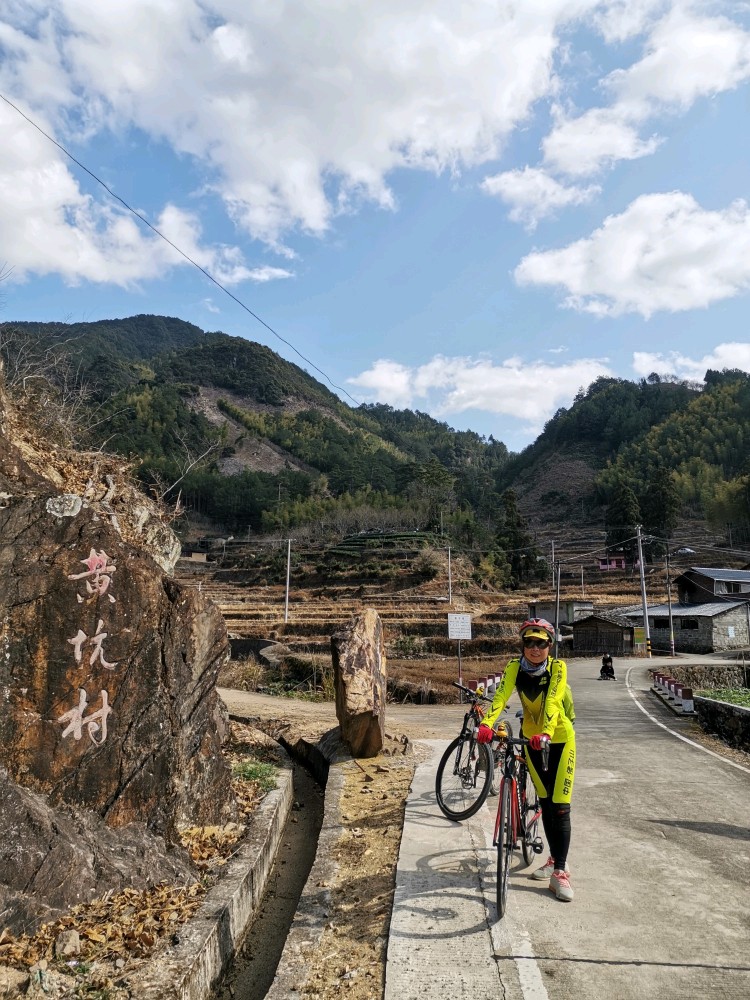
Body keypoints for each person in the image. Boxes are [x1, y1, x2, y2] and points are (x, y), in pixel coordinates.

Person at [477, 617, 576, 902]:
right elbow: (501, 696)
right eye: (529, 642)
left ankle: (560, 872)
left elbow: (554, 700)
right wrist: (487, 724)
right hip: (530, 738)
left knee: (560, 805)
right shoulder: (513, 668)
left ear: (549, 646)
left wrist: (546, 732)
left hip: (557, 739)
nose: (534, 648)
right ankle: (555, 859)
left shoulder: (558, 668)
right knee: (545, 802)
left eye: (541, 643)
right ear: (523, 645)